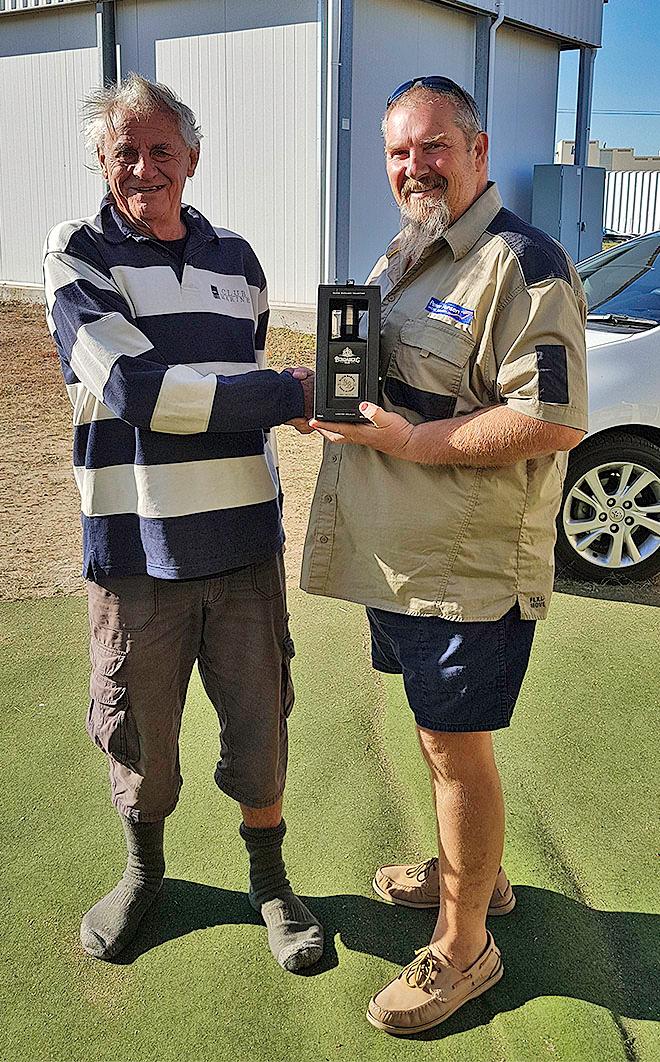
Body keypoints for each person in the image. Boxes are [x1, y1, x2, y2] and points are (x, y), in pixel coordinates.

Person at [302, 76, 587, 1032]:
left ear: (476, 147)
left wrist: (410, 442)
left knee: (457, 753)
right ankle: (478, 880)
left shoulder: (525, 264)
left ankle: (466, 950)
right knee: (435, 739)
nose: (412, 167)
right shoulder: (409, 253)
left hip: (465, 574)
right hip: (405, 564)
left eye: (432, 146)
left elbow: (547, 421)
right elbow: (396, 379)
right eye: (397, 152)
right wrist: (336, 404)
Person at [43, 74, 322, 973]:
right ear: (101, 158)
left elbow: (233, 379)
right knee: (138, 728)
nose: (143, 166)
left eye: (162, 149)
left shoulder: (238, 259)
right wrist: (283, 395)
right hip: (135, 550)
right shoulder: (74, 255)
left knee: (259, 723)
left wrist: (273, 397)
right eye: (125, 149)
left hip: (244, 541)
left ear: (192, 159)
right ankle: (143, 873)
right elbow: (134, 390)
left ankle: (270, 882)